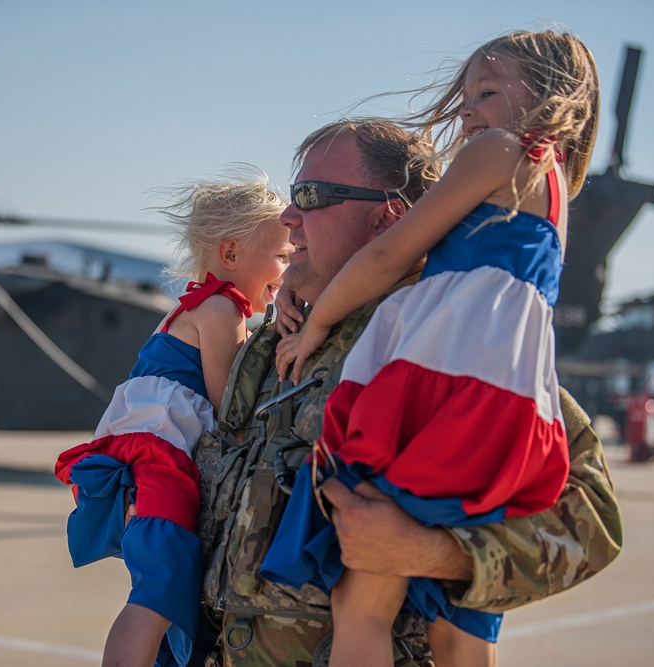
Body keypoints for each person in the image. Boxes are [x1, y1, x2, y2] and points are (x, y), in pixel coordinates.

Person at [193, 117, 622, 666]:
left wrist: (436, 553)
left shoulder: (449, 347)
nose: (287, 216)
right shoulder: (263, 349)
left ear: (387, 219)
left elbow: (593, 524)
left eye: (311, 196)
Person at [54, 169, 292, 667]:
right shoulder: (223, 311)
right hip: (158, 456)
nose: (286, 273)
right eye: (281, 258)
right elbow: (230, 406)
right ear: (230, 255)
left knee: (163, 580)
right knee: (160, 588)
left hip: (140, 452)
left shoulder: (192, 305)